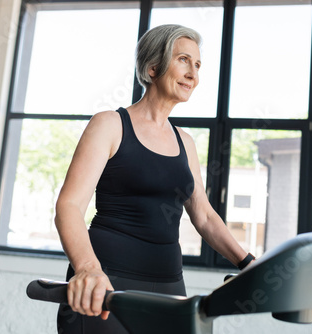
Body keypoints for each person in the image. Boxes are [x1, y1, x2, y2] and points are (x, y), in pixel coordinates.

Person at [55, 24, 254, 333]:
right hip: (107, 282)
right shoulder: (110, 125)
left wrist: (249, 264)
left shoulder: (184, 142)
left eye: (198, 65)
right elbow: (69, 205)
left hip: (168, 286)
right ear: (152, 67)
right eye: (184, 60)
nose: (193, 74)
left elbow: (203, 215)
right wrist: (88, 269)